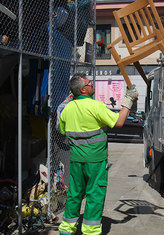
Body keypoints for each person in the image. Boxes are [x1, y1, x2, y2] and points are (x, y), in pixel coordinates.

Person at [58, 72, 138, 235]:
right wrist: (128, 100)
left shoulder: (67, 109)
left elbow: (63, 130)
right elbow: (119, 121)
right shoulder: (96, 106)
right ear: (83, 90)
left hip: (76, 160)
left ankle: (66, 229)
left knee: (74, 193)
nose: (92, 85)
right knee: (95, 194)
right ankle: (91, 230)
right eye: (89, 84)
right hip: (95, 160)